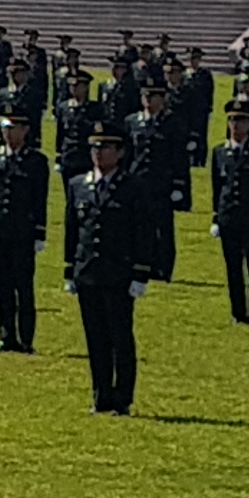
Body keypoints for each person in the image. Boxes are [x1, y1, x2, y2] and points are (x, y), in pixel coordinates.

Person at [64, 126, 143, 414]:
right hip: (88, 272)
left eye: (106, 147)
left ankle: (122, 399)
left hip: (118, 273)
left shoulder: (132, 187)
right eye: (95, 147)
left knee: (120, 337)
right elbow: (73, 231)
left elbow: (141, 232)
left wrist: (140, 273)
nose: (99, 153)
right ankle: (101, 397)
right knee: (95, 338)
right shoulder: (78, 184)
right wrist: (69, 269)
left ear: (119, 152)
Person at [0, 94, 50, 354]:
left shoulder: (36, 161)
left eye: (14, 128)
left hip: (23, 232)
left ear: (25, 130)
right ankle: (6, 335)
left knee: (24, 287)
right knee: (3, 286)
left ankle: (26, 338)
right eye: (5, 128)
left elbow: (39, 200)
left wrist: (40, 232)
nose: (9, 133)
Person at [210, 96, 249, 325]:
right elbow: (217, 186)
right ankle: (238, 312)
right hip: (228, 216)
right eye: (233, 120)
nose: (236, 125)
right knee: (232, 267)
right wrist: (216, 216)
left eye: (241, 120)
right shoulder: (219, 152)